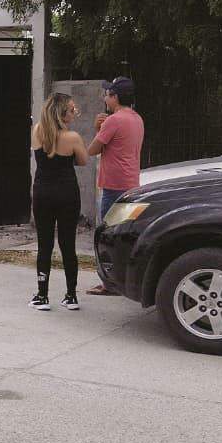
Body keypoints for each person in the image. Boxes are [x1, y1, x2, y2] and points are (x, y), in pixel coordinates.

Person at [30, 92, 89, 311]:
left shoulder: (37, 131)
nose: (74, 113)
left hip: (43, 192)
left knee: (44, 245)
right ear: (62, 113)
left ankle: (42, 295)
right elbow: (83, 160)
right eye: (72, 110)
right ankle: (71, 295)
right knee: (68, 244)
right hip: (67, 193)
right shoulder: (72, 137)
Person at [86, 76, 144, 295]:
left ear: (115, 97)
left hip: (113, 185)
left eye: (108, 94)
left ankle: (109, 283)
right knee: (124, 235)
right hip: (131, 183)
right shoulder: (137, 118)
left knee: (106, 235)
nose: (105, 97)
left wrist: (96, 127)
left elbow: (93, 149)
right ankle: (123, 280)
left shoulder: (113, 120)